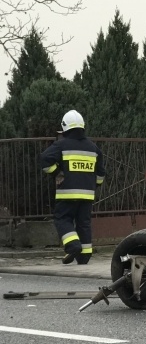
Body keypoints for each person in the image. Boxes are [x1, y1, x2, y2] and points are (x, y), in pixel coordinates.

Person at [39, 110, 106, 264]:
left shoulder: (61, 144)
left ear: (65, 127)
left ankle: (73, 245)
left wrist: (57, 173)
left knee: (63, 218)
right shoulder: (93, 148)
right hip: (87, 195)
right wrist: (94, 185)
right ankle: (85, 255)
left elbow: (44, 159)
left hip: (67, 193)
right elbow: (101, 173)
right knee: (84, 223)